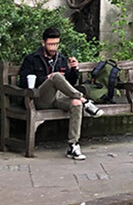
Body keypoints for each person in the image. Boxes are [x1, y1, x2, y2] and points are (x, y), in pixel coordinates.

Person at [18, 26, 103, 160]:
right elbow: (23, 82)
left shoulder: (61, 59)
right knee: (56, 77)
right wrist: (47, 78)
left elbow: (70, 83)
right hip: (40, 98)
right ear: (43, 43)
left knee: (75, 104)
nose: (53, 48)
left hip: (58, 99)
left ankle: (73, 146)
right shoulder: (32, 59)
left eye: (56, 44)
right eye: (50, 44)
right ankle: (85, 101)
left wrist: (75, 69)